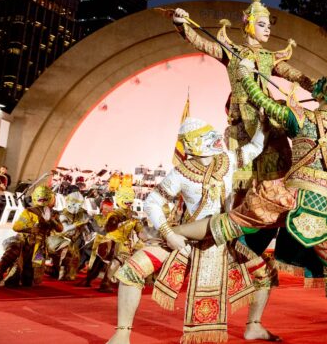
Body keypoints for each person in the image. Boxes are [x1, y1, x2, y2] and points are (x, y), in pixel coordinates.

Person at [172, 45, 327, 343]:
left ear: (323, 94)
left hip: (288, 199)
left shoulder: (300, 118)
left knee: (231, 223)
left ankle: (170, 231)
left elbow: (261, 100)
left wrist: (245, 75)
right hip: (325, 207)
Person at [172, 0, 316, 340]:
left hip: (269, 130)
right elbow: (202, 43)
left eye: (269, 24)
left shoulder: (269, 59)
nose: (267, 29)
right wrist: (182, 24)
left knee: (280, 179)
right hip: (241, 131)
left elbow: (293, 73)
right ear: (247, 24)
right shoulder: (232, 52)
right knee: (236, 189)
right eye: (262, 23)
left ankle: (255, 319)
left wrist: (312, 83)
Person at [107, 116, 268, 344]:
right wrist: (169, 234)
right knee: (131, 270)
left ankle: (254, 326)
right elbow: (152, 202)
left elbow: (255, 147)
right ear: (194, 143)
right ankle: (122, 334)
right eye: (209, 135)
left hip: (222, 241)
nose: (217, 138)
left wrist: (263, 123)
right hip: (187, 242)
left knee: (265, 273)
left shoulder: (227, 160)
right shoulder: (181, 173)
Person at [0, 185, 63, 289]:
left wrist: (52, 220)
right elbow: (16, 227)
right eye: (41, 199)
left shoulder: (53, 214)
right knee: (13, 251)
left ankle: (50, 271)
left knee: (29, 281)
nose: (43, 201)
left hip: (39, 247)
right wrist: (31, 229)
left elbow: (60, 229)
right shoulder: (29, 212)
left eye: (45, 199)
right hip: (24, 240)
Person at [53, 191, 90, 281]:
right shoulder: (63, 214)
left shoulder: (81, 214)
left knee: (75, 258)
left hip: (74, 240)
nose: (77, 207)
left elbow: (85, 227)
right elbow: (65, 229)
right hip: (61, 239)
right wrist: (77, 224)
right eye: (74, 204)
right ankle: (59, 271)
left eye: (79, 205)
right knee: (64, 255)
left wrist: (87, 232)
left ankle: (69, 273)